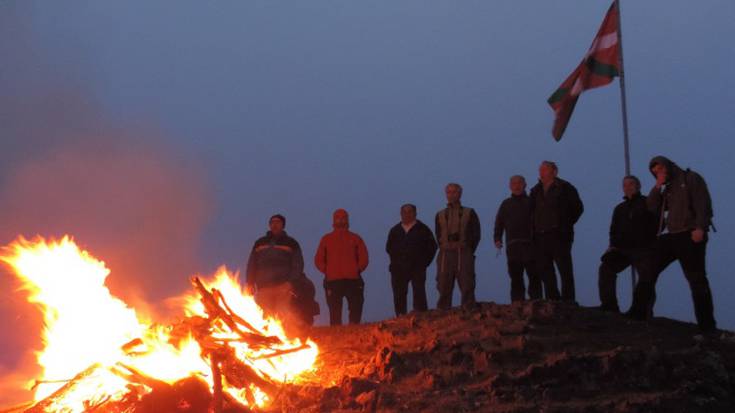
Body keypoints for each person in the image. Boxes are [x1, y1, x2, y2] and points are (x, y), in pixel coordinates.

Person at [627, 156, 717, 334]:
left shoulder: (690, 178)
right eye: (654, 172)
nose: (657, 173)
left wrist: (700, 227)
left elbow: (703, 203)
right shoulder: (666, 187)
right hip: (671, 235)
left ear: (667, 165)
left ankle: (707, 326)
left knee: (696, 279)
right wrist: (657, 185)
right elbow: (651, 207)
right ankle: (636, 314)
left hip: (690, 234)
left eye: (660, 169)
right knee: (648, 270)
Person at [597, 176, 657, 313]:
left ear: (638, 186)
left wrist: (650, 239)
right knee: (605, 268)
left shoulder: (647, 202)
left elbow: (659, 222)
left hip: (643, 249)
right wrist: (612, 245)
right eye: (624, 185)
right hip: (622, 249)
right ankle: (609, 306)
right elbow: (613, 229)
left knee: (646, 278)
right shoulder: (620, 208)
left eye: (631, 184)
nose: (627, 187)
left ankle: (643, 311)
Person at [529, 161, 584, 302]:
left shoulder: (565, 188)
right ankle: (553, 300)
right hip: (540, 235)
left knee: (564, 269)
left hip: (559, 235)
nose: (541, 172)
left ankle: (568, 301)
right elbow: (531, 212)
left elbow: (577, 208)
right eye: (540, 169)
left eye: (545, 169)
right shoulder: (535, 191)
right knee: (545, 270)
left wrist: (564, 224)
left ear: (554, 171)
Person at [245, 214, 305, 323]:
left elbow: (298, 264)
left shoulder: (291, 243)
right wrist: (250, 282)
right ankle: (267, 338)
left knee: (282, 313)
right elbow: (252, 263)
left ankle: (286, 337)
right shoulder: (260, 243)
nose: (274, 224)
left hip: (283, 286)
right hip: (263, 286)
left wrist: (291, 282)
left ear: (283, 225)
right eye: (272, 222)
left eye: (278, 222)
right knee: (265, 316)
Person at [315, 209, 369, 326]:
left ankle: (354, 330)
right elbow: (318, 259)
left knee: (356, 308)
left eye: (343, 217)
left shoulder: (355, 238)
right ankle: (336, 334)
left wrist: (357, 269)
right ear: (334, 220)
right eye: (338, 217)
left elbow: (364, 257)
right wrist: (328, 271)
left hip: (353, 280)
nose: (340, 220)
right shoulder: (326, 239)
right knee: (334, 312)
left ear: (347, 220)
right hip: (333, 281)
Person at [494, 175, 541, 302]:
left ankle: (536, 302)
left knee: (534, 275)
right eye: (514, 183)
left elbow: (539, 220)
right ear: (510, 186)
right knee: (515, 277)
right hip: (513, 246)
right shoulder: (506, 204)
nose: (517, 185)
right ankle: (517, 303)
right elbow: (499, 222)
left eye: (519, 183)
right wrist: (497, 238)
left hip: (531, 245)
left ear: (525, 185)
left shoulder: (531, 201)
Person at [435, 183, 481, 310]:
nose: (451, 195)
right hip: (445, 253)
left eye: (454, 192)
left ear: (460, 193)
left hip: (463, 252)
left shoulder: (469, 212)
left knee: (467, 283)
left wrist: (468, 248)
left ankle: (469, 309)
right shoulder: (440, 214)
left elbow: (476, 233)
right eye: (448, 192)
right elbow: (438, 234)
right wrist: (445, 245)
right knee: (443, 284)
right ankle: (442, 311)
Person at [385, 204, 438, 316]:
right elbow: (389, 248)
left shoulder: (423, 229)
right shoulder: (395, 230)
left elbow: (432, 247)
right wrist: (395, 262)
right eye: (404, 212)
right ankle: (400, 316)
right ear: (401, 214)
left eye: (410, 211)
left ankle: (421, 316)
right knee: (399, 294)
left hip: (417, 268)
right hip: (398, 268)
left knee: (419, 292)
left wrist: (424, 263)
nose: (407, 214)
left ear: (415, 213)